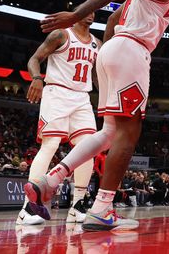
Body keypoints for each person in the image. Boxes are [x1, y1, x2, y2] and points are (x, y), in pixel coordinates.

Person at [24, 0, 169, 231]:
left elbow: (115, 17)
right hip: (131, 52)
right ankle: (102, 209)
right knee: (128, 134)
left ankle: (50, 180)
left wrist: (112, 51)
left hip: (114, 50)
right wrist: (76, 16)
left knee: (107, 133)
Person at [16, 12, 101, 225]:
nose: (91, 13)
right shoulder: (61, 35)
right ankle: (29, 207)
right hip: (57, 92)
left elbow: (97, 76)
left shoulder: (97, 43)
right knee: (50, 145)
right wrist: (37, 78)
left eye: (93, 10)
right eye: (86, 9)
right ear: (77, 11)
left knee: (88, 148)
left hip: (82, 97)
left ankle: (78, 205)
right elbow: (35, 59)